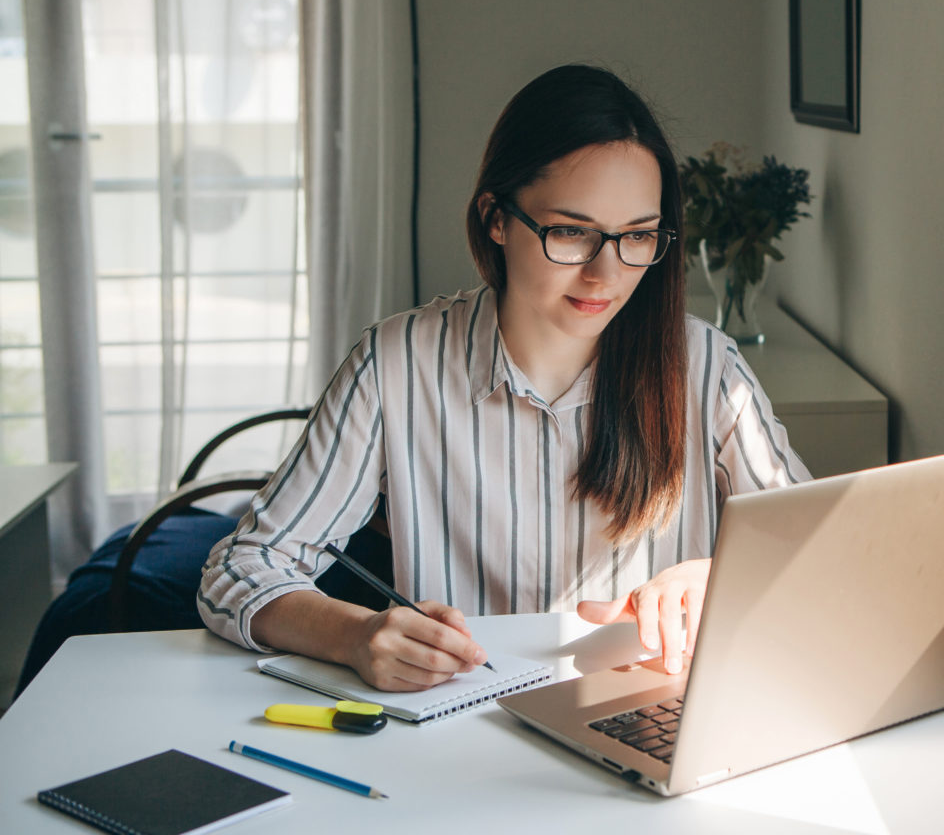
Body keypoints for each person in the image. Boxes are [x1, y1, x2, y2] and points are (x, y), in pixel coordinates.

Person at [199, 64, 809, 691]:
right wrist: (354, 635)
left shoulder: (706, 367)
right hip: (462, 724)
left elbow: (818, 546)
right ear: (497, 217)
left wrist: (718, 576)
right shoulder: (397, 364)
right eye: (572, 233)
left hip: (653, 712)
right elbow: (242, 566)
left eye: (638, 236)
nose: (606, 274)